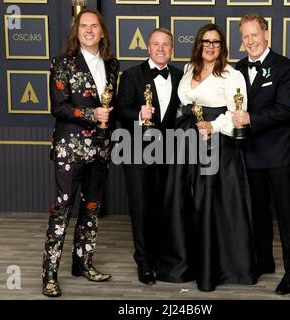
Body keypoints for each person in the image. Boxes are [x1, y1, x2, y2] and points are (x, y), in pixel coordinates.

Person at [157, 23, 257, 292]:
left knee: (209, 203)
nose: (210, 46)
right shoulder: (189, 69)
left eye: (215, 42)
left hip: (216, 141)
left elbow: (238, 111)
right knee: (180, 199)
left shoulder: (231, 75)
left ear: (222, 47)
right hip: (186, 136)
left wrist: (213, 126)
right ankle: (182, 264)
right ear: (198, 44)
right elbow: (183, 105)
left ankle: (215, 269)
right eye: (205, 41)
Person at [42, 9, 119, 297]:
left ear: (102, 32)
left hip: (101, 150)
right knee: (62, 210)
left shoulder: (112, 65)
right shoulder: (63, 63)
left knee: (91, 210)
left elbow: (113, 108)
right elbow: (58, 107)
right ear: (77, 32)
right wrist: (91, 112)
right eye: (83, 26)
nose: (89, 30)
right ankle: (49, 274)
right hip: (70, 150)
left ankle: (83, 262)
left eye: (94, 26)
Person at [234, 14, 290, 295]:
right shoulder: (237, 68)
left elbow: (284, 111)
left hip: (279, 153)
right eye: (245, 36)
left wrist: (249, 117)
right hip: (251, 152)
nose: (250, 40)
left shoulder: (284, 67)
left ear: (266, 35)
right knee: (259, 212)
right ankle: (264, 261)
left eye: (254, 34)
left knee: (286, 213)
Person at [115, 28, 183, 285]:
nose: (161, 48)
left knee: (163, 208)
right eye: (156, 44)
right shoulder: (132, 75)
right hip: (137, 155)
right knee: (141, 210)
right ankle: (143, 263)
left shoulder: (179, 75)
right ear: (148, 47)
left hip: (169, 155)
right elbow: (120, 110)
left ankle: (160, 259)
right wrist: (138, 115)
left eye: (166, 45)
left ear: (172, 49)